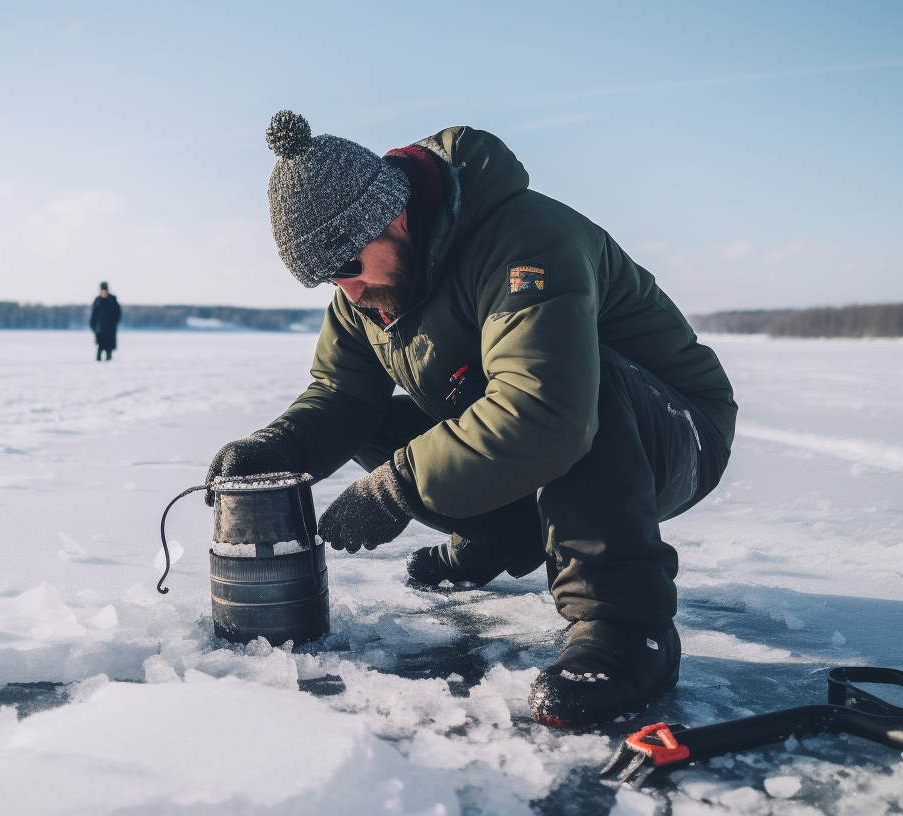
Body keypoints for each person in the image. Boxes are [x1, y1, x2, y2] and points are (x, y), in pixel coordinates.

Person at [207, 111, 736, 729]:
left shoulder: (525, 241)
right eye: (327, 278)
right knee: (376, 425)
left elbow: (549, 412)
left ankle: (627, 627)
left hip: (674, 435)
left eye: (348, 266)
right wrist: (275, 448)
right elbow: (342, 398)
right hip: (566, 441)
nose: (346, 291)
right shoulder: (368, 295)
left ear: (394, 218)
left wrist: (397, 485)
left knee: (570, 389)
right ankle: (504, 533)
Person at [90, 282, 122, 361]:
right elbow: (94, 315)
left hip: (109, 329)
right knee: (100, 348)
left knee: (109, 349)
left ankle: (108, 366)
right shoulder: (98, 300)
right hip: (100, 329)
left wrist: (113, 323)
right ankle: (98, 365)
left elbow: (117, 313)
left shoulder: (112, 300)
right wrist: (93, 326)